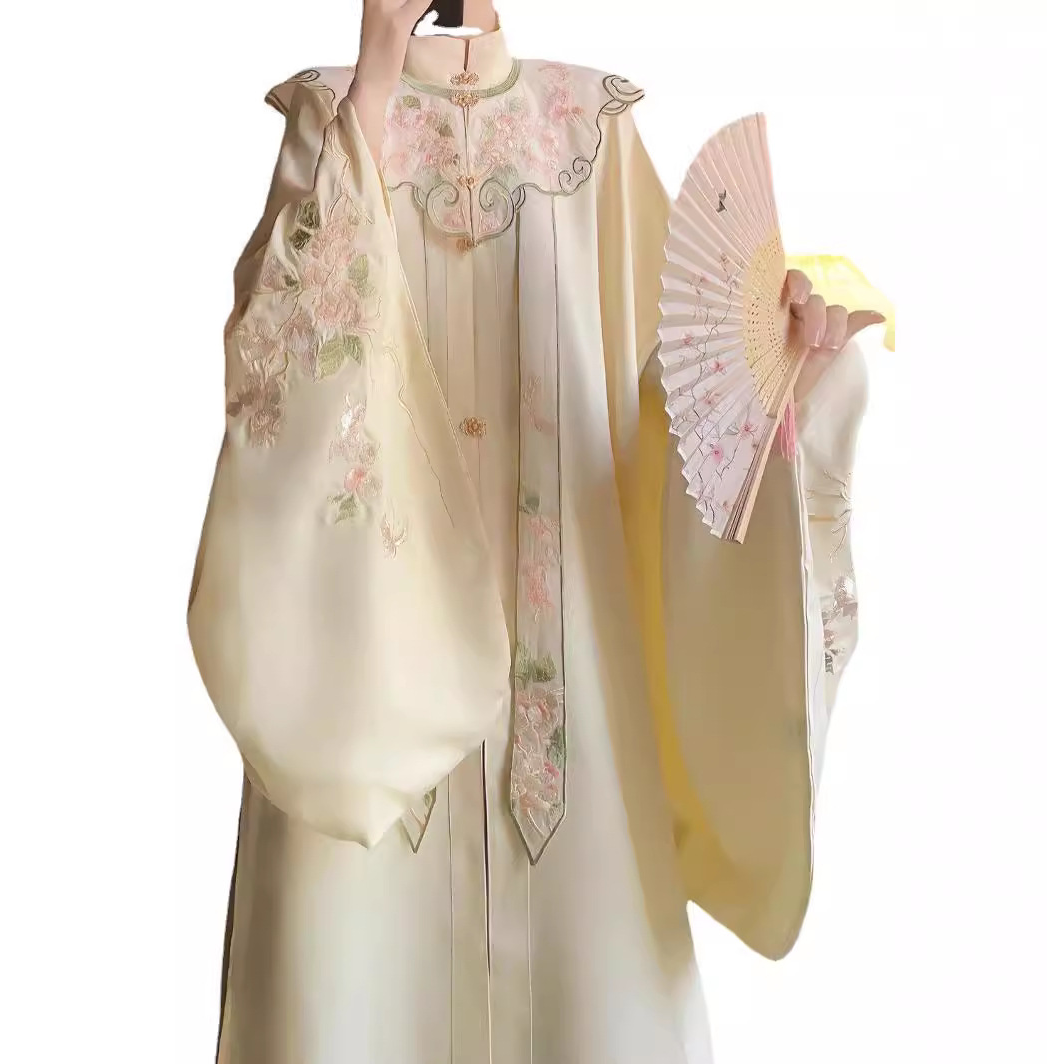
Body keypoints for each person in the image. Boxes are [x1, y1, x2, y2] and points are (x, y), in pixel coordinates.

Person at [187, 2, 889, 1061]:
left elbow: (670, 427)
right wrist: (374, 88)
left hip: (576, 742)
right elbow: (269, 385)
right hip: (363, 706)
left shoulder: (591, 136)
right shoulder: (332, 117)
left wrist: (777, 374)